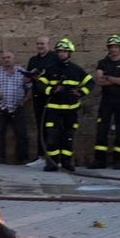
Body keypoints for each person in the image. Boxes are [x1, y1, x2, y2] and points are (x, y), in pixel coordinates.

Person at [38, 38, 92, 171]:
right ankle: (52, 162)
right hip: (53, 109)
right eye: (59, 51)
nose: (61, 54)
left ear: (69, 53)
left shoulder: (76, 70)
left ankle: (66, 162)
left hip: (71, 110)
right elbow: (39, 84)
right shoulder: (50, 69)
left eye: (64, 51)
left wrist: (80, 92)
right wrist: (51, 90)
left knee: (68, 137)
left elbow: (90, 82)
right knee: (52, 137)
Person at [92, 34, 120, 169]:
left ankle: (118, 161)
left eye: (116, 47)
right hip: (106, 101)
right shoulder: (103, 63)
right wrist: (118, 79)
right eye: (111, 47)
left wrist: (109, 77)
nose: (113, 49)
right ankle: (100, 161)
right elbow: (99, 81)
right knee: (101, 130)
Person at [0, 50, 31, 164]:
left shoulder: (22, 72)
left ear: (13, 58)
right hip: (2, 107)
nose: (6, 60)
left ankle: (22, 159)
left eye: (9, 57)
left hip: (17, 107)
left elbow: (30, 87)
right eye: (4, 58)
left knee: (21, 133)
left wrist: (25, 100)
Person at [25, 36, 58, 166]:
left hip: (51, 97)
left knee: (52, 127)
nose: (40, 46)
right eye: (38, 44)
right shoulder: (33, 60)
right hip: (38, 96)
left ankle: (52, 157)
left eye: (42, 44)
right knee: (40, 126)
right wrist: (30, 75)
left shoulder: (54, 58)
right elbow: (28, 79)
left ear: (48, 44)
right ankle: (41, 157)